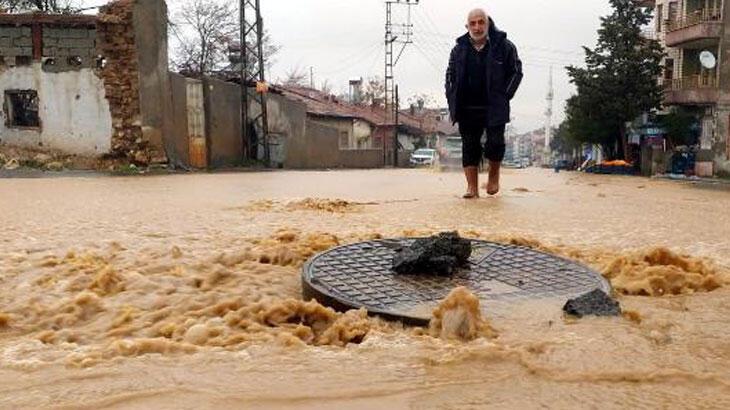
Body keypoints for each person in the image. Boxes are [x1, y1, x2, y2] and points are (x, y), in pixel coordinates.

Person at [445, 8, 523, 198]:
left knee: (495, 143)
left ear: (488, 24)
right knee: (469, 145)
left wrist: (505, 95)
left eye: (481, 22)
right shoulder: (458, 49)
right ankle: (472, 188)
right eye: (473, 23)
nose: (477, 27)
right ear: (467, 26)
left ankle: (493, 176)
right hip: (467, 106)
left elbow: (516, 72)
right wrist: (452, 97)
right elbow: (450, 76)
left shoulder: (504, 46)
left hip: (494, 105)